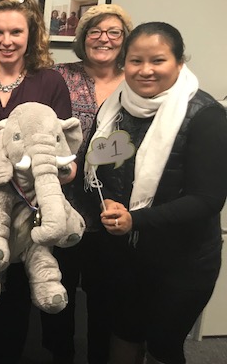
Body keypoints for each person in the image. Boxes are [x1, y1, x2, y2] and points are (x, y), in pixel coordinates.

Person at [86, 22, 227, 364]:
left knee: (163, 344)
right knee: (123, 333)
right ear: (124, 63)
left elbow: (207, 199)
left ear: (179, 63)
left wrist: (136, 220)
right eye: (135, 61)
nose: (145, 70)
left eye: (158, 60)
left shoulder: (207, 116)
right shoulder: (113, 110)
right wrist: (106, 203)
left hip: (184, 261)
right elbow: (96, 171)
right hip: (124, 256)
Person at [0, 0, 73, 363]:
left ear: (32, 35)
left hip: (31, 207)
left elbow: (61, 147)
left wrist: (62, 172)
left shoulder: (50, 82)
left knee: (17, 303)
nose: (6, 41)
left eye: (16, 32)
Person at [43, 4, 133, 364]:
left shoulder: (137, 80)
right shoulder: (58, 76)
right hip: (63, 202)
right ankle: (58, 355)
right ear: (82, 38)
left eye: (114, 32)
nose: (104, 39)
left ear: (125, 39)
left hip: (112, 206)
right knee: (58, 288)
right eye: (95, 31)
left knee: (104, 295)